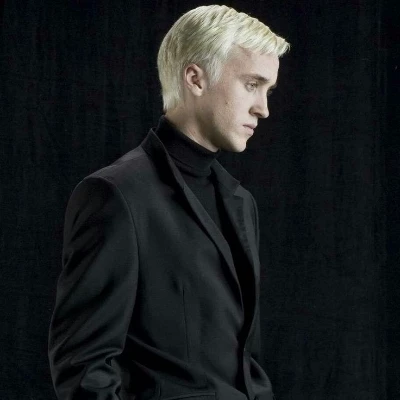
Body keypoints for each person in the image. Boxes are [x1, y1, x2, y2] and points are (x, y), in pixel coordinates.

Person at [48, 4, 289, 400]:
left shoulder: (241, 203)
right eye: (251, 84)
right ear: (195, 78)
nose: (263, 108)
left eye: (268, 90)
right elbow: (83, 369)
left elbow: (245, 363)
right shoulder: (115, 194)